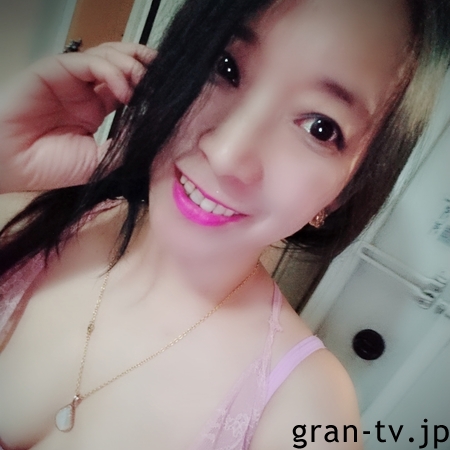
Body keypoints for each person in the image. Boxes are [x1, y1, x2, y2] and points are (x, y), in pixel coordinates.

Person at [0, 0, 449, 448]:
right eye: (225, 67)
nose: (226, 152)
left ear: (344, 192)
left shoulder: (309, 415)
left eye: (319, 127)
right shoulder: (46, 213)